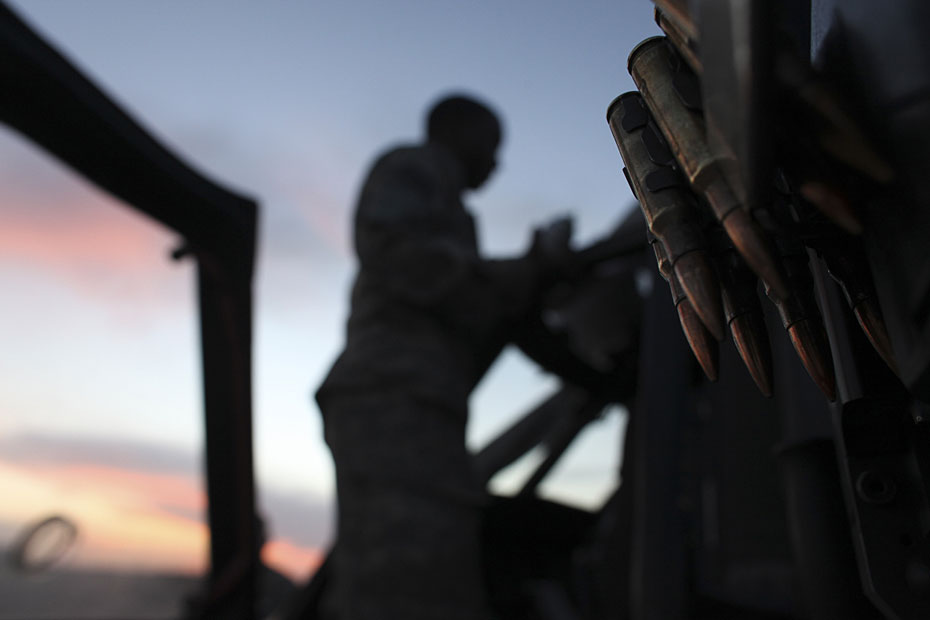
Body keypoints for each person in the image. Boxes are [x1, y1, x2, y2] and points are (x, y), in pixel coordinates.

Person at [315, 94, 622, 620]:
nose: (496, 163)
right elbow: (402, 259)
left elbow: (469, 298)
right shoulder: (412, 167)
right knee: (406, 584)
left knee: (429, 573)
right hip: (392, 396)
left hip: (418, 401)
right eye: (491, 146)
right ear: (457, 131)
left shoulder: (453, 210)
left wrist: (530, 281)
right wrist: (527, 270)